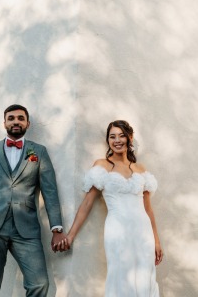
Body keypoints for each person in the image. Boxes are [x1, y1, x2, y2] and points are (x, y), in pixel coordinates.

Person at [0, 104, 68, 297]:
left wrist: (57, 228)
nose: (16, 121)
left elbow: (50, 192)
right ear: (4, 123)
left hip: (26, 228)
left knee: (39, 283)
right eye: (11, 118)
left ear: (27, 123)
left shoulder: (38, 152)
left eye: (20, 118)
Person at [62, 120, 164, 297]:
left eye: (122, 135)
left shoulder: (140, 169)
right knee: (120, 275)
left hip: (143, 231)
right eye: (112, 136)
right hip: (117, 230)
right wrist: (70, 235)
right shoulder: (102, 165)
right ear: (108, 141)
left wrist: (156, 240)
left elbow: (148, 209)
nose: (117, 140)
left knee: (144, 276)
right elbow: (87, 204)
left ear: (130, 138)